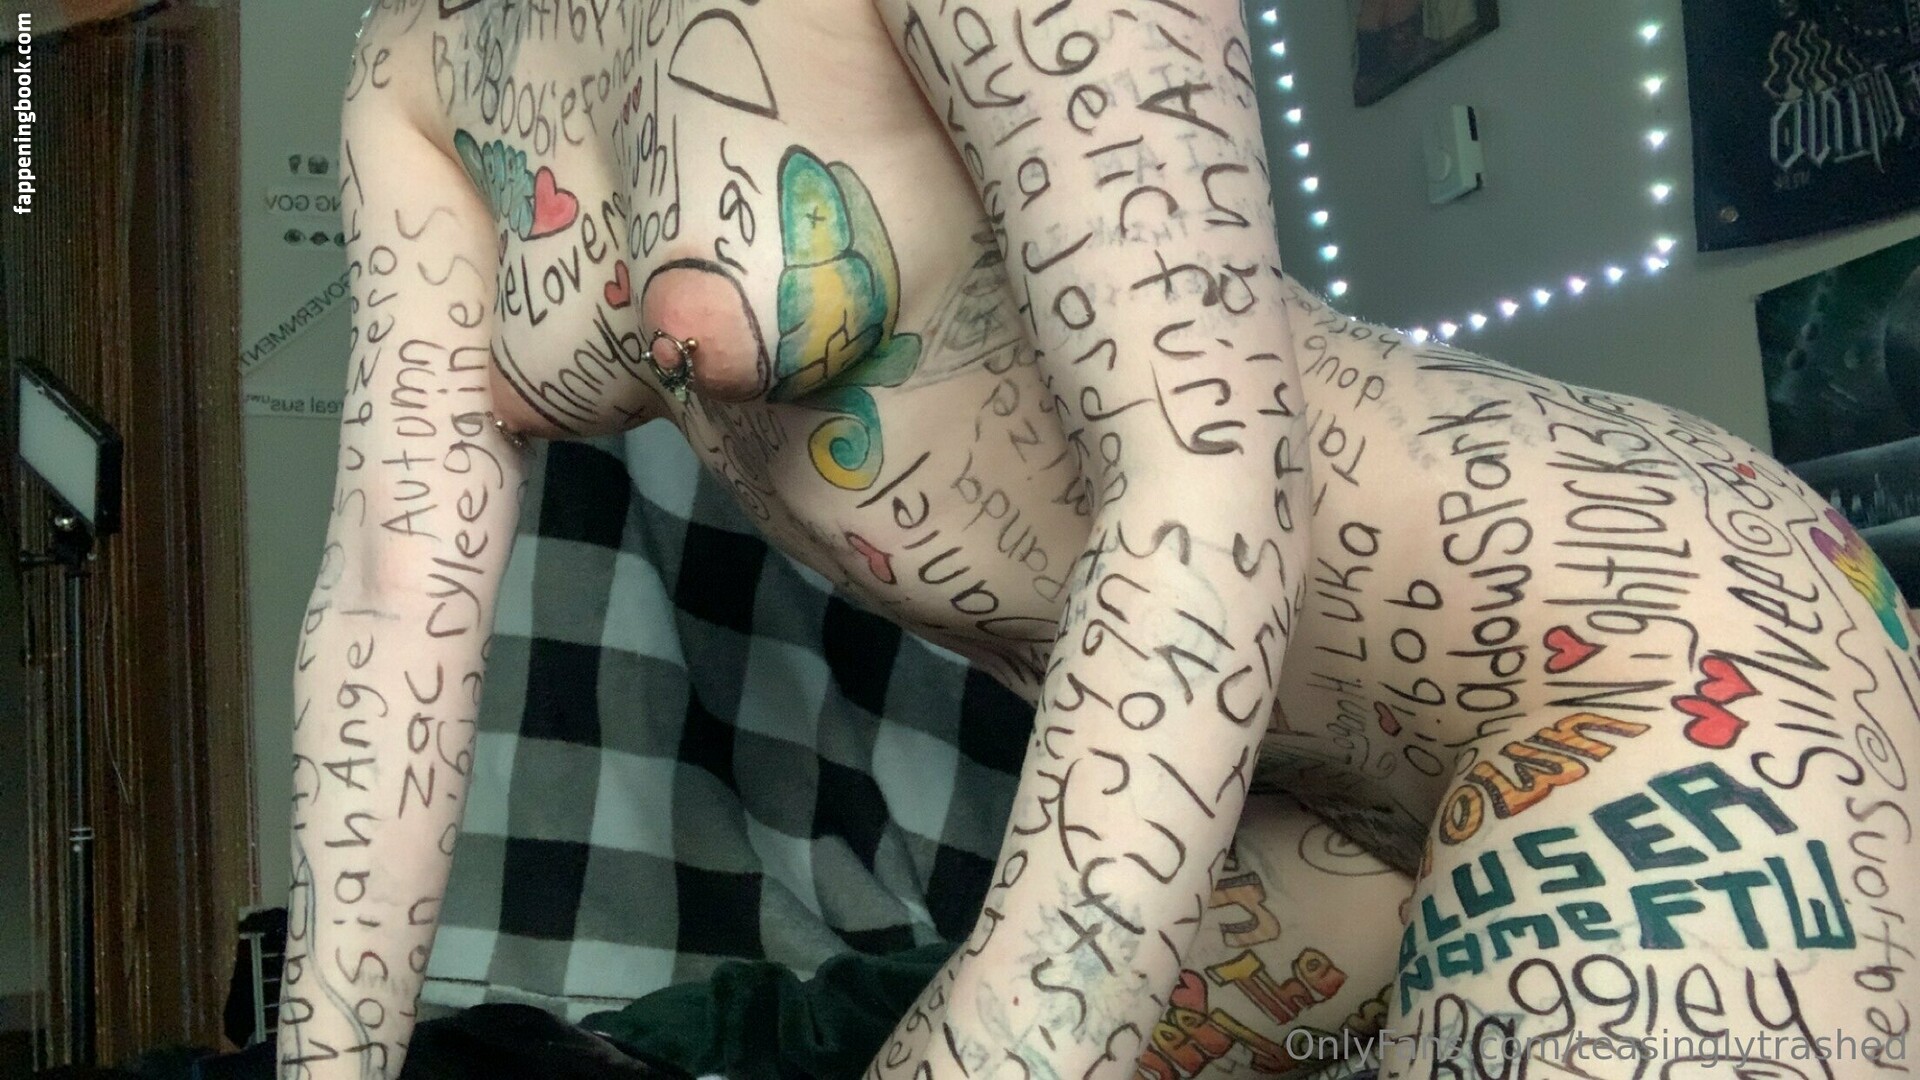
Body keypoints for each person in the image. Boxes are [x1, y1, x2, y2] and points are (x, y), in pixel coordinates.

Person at [282, 0, 1920, 1077]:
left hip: (1652, 651)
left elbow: (1206, 487)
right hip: (1299, 803)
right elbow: (389, 594)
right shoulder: (414, 62)